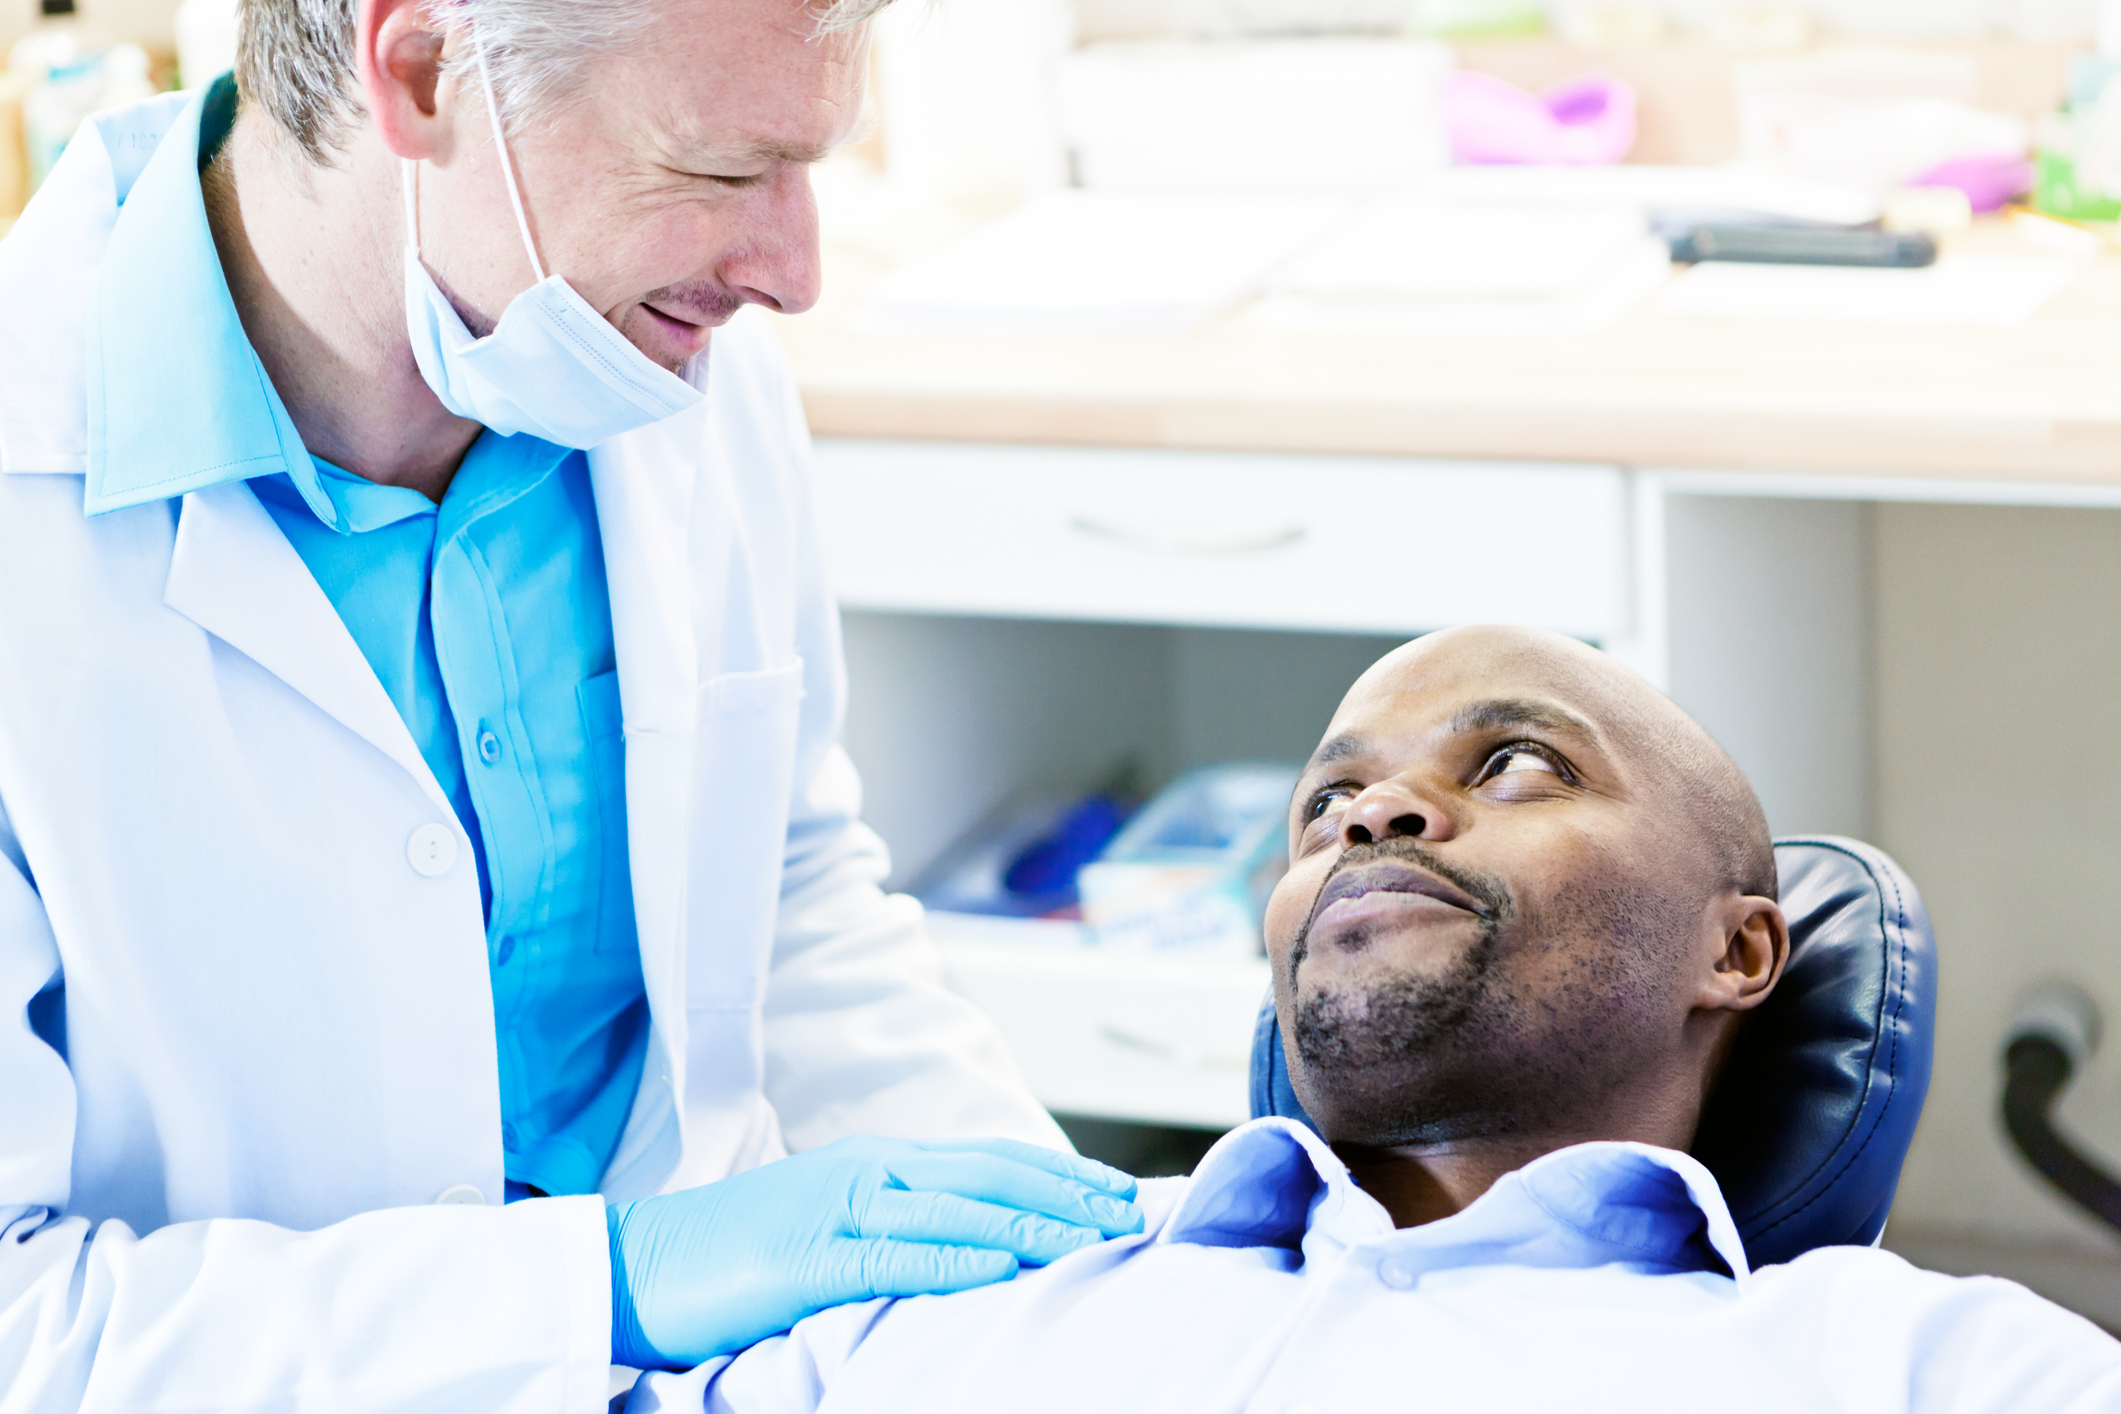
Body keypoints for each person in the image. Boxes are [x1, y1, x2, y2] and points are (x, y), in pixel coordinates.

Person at [0, 0, 1143, 1409]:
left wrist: (1060, 1276)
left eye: (806, 167)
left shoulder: (647, 359)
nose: (793, 274)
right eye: (723, 168)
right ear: (422, 68)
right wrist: (608, 1284)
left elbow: (781, 897)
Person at [625, 626, 2121, 1414]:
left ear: (1734, 950)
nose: (1374, 814)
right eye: (1326, 802)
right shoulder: (960, 1302)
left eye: (1518, 764)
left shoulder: (1921, 1370)